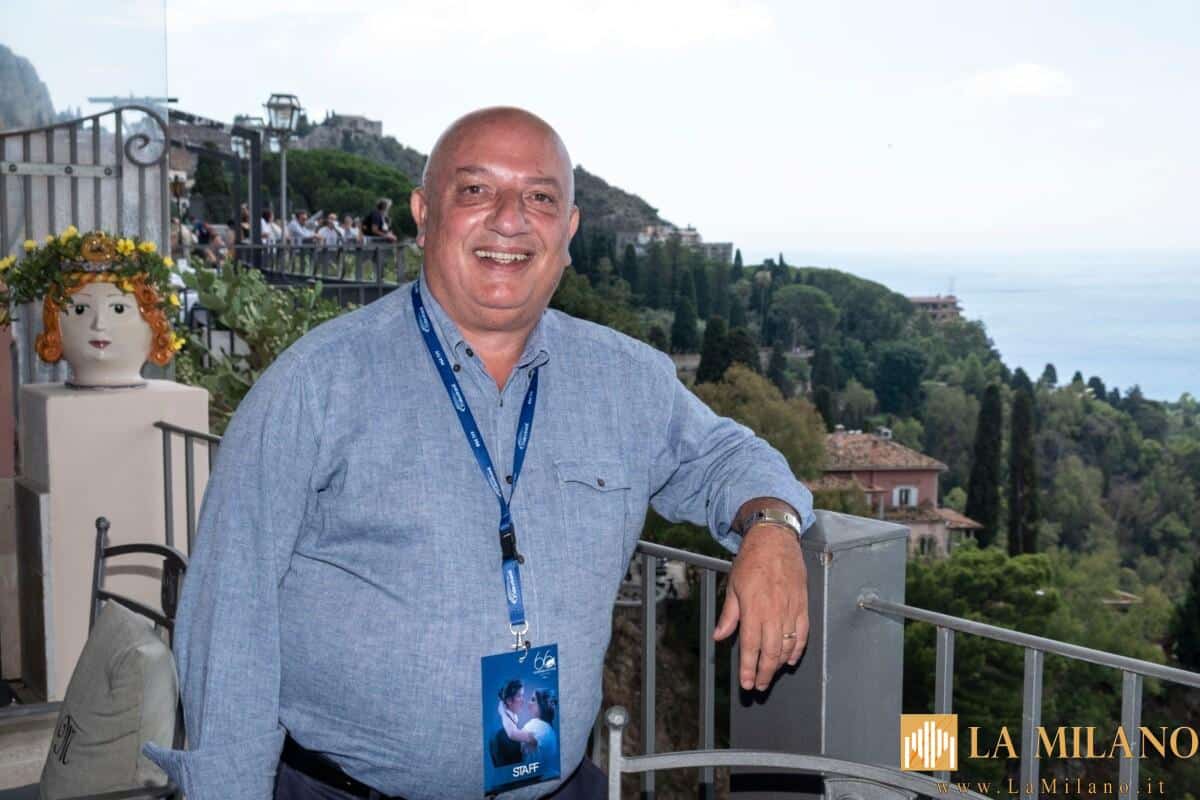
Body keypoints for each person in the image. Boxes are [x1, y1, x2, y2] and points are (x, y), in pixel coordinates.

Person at [145, 107, 813, 800]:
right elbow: (231, 615)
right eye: (475, 190)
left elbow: (726, 456)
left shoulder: (627, 381)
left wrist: (771, 527)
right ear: (424, 214)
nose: (509, 219)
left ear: (569, 231)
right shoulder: (315, 386)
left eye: (540, 197)